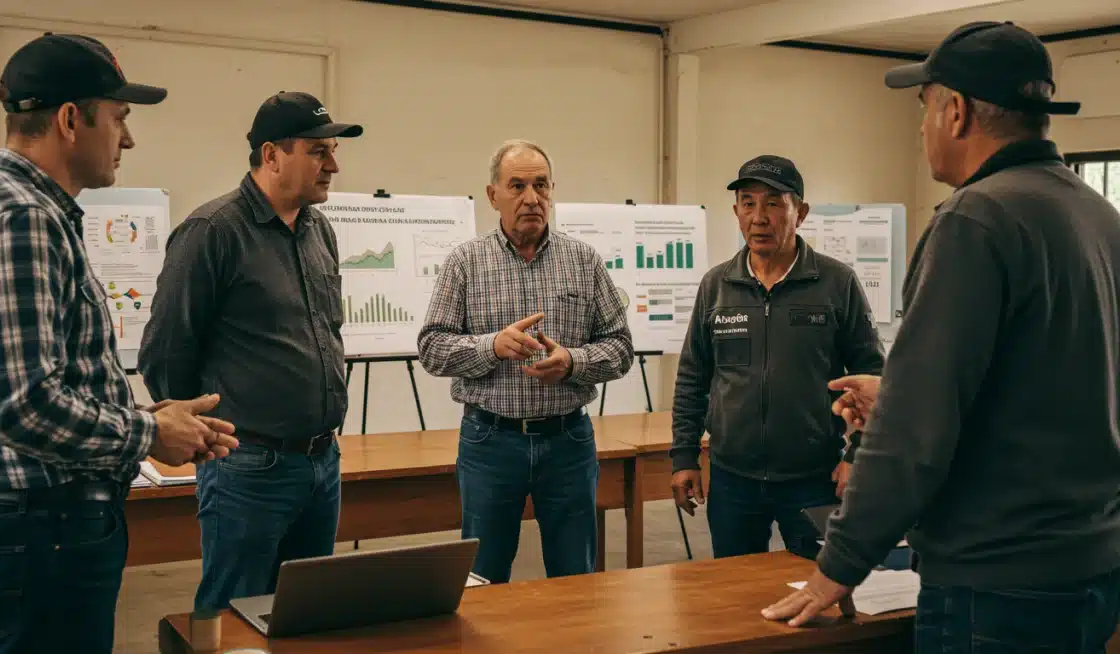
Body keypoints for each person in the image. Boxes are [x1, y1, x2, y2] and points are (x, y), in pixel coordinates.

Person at [761, 21, 1120, 653]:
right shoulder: (1097, 216)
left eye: (923, 108)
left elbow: (916, 432)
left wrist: (839, 564)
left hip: (996, 581)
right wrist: (896, 390)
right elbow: (1057, 381)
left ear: (955, 112)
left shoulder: (974, 221)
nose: (920, 127)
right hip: (1089, 564)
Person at [0, 33, 238, 654]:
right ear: (70, 120)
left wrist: (149, 417)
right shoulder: (22, 220)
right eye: (118, 118)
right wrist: (149, 434)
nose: (128, 138)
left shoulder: (0, 207)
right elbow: (19, 405)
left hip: (35, 525)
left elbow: (23, 390)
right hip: (43, 529)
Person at [137, 91, 362, 613]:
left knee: (303, 613)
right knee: (232, 615)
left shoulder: (317, 230)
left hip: (321, 461)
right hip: (248, 466)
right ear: (271, 154)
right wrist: (200, 433)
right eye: (317, 151)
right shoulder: (212, 232)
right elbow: (166, 351)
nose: (333, 164)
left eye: (331, 151)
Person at [417, 139, 634, 583]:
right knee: (482, 577)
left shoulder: (584, 261)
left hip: (568, 441)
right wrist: (492, 347)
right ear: (493, 194)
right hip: (490, 442)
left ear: (552, 191)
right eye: (517, 185)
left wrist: (573, 362)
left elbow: (620, 348)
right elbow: (433, 348)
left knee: (576, 577)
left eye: (540, 185)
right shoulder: (465, 263)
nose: (531, 198)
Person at [669, 154, 884, 560]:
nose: (759, 216)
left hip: (814, 477)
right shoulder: (717, 286)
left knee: (820, 589)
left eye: (772, 203)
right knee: (732, 597)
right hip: (733, 481)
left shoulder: (836, 283)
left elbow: (872, 376)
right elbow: (693, 377)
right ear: (736, 213)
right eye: (748, 203)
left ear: (799, 212)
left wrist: (858, 457)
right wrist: (684, 456)